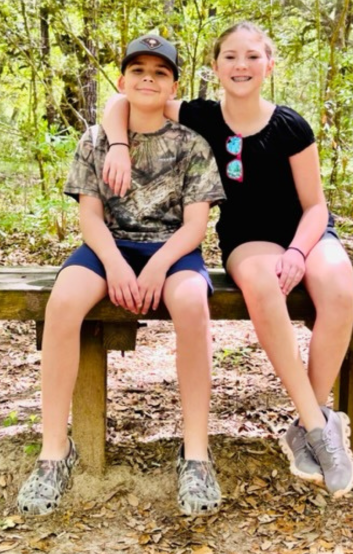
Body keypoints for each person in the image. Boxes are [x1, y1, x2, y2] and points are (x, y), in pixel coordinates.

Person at [101, 22, 353, 498]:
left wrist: (301, 252)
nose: (242, 66)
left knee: (340, 283)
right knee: (263, 281)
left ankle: (311, 423)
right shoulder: (199, 115)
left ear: (269, 64)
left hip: (304, 232)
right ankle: (318, 425)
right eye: (231, 57)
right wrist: (117, 144)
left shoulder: (290, 125)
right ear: (215, 66)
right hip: (249, 238)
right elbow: (121, 101)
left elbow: (316, 206)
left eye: (253, 57)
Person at [17, 34, 226, 517]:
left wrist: (156, 266)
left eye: (159, 72)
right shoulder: (95, 140)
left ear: (174, 85)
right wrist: (114, 263)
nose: (148, 79)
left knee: (193, 304)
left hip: (172, 250)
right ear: (122, 79)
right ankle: (54, 452)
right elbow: (89, 217)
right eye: (138, 70)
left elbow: (196, 224)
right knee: (64, 302)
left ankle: (195, 453)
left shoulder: (192, 144)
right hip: (107, 246)